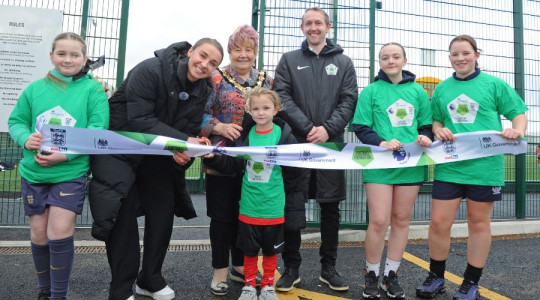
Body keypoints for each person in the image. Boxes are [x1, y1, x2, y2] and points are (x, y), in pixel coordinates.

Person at [88, 38, 223, 300]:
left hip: (158, 152)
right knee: (122, 217)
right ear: (191, 51)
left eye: (213, 63)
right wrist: (181, 142)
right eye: (203, 56)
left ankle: (150, 278)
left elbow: (191, 127)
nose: (205, 64)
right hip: (122, 149)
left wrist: (184, 152)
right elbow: (139, 120)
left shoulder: (204, 89)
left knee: (162, 211)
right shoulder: (150, 69)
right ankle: (121, 288)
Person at [415, 35, 528, 300]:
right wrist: (440, 130)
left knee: (478, 224)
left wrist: (517, 130)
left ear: (477, 55)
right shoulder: (442, 89)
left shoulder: (494, 84)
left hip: (485, 169)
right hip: (450, 167)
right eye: (455, 54)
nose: (460, 58)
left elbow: (518, 113)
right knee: (439, 223)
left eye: (465, 53)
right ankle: (436, 277)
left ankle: (471, 283)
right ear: (450, 58)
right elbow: (436, 122)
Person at [7, 32, 109, 300]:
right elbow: (16, 121)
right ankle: (44, 291)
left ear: (85, 59)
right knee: (39, 234)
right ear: (51, 56)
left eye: (75, 55)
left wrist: (66, 156)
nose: (68, 59)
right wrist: (24, 138)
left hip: (69, 173)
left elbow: (99, 131)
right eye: (61, 54)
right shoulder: (34, 89)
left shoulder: (94, 90)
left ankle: (58, 295)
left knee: (59, 232)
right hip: (33, 172)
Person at [273, 7, 358, 292]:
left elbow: (348, 99)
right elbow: (281, 97)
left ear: (328, 27)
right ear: (302, 29)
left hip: (330, 145)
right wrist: (307, 127)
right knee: (293, 206)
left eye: (318, 23)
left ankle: (328, 267)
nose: (313, 27)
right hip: (297, 144)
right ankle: (292, 267)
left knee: (330, 207)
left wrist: (327, 129)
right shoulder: (288, 60)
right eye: (308, 23)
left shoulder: (344, 62)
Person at [203, 87, 305, 300]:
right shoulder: (245, 136)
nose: (261, 112)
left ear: (276, 110)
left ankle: (267, 284)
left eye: (266, 108)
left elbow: (295, 169)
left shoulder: (284, 136)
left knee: (270, 251)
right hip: (249, 205)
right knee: (249, 250)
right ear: (248, 110)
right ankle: (249, 284)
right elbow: (232, 163)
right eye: (256, 108)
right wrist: (213, 157)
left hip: (273, 205)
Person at [352, 43, 433, 299]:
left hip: (409, 165)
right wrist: (382, 143)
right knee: (378, 221)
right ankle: (371, 275)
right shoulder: (372, 91)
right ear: (380, 62)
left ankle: (391, 275)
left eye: (396, 56)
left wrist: (424, 137)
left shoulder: (418, 91)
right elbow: (361, 126)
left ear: (404, 60)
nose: (391, 60)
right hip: (380, 164)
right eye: (385, 57)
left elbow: (427, 126)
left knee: (400, 220)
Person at [199, 25, 272, 296]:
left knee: (248, 216)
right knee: (222, 218)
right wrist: (219, 128)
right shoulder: (215, 78)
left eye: (249, 49)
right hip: (219, 158)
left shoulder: (266, 80)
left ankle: (240, 266)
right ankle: (219, 269)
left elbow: (275, 114)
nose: (243, 55)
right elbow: (200, 113)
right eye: (237, 49)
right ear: (230, 51)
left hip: (254, 163)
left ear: (255, 53)